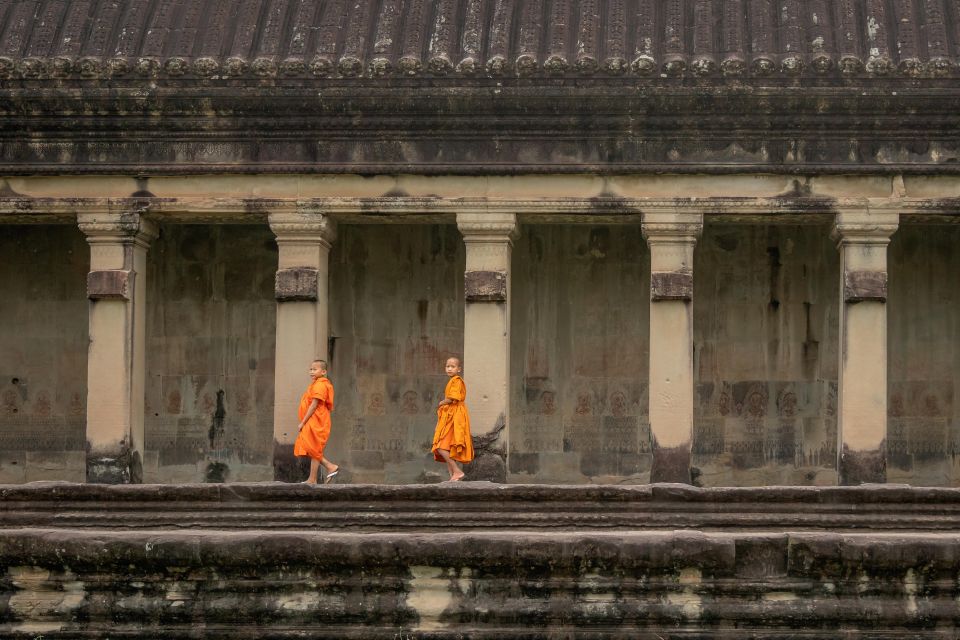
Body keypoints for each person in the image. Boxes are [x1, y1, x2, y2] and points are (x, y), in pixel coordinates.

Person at [294, 359, 340, 485]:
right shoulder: (316, 384)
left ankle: (329, 466)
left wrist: (303, 422)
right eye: (311, 369)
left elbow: (314, 405)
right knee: (313, 447)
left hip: (316, 419)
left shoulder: (320, 385)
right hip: (316, 419)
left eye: (315, 369)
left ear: (324, 371)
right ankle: (313, 478)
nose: (311, 371)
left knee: (310, 446)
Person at [431, 356, 474, 481]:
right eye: (447, 366)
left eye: (452, 366)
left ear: (458, 369)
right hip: (450, 415)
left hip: (455, 416)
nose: (449, 369)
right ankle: (453, 476)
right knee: (449, 447)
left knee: (440, 446)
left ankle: (457, 471)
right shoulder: (452, 381)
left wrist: (442, 402)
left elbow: (452, 398)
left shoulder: (457, 380)